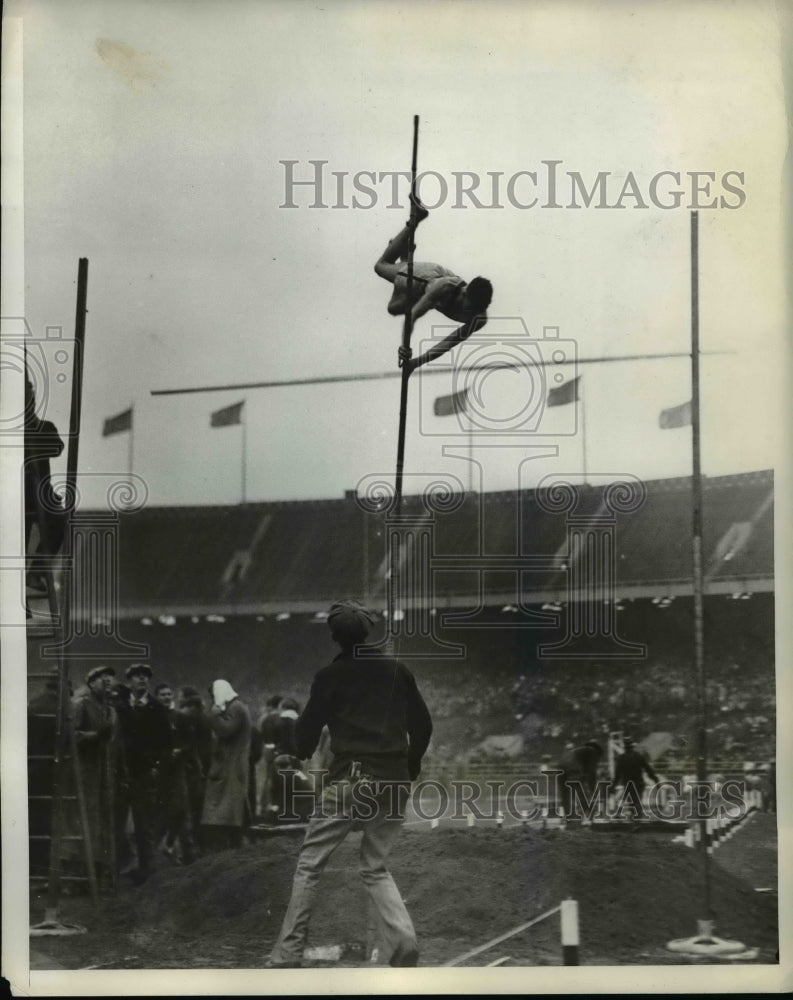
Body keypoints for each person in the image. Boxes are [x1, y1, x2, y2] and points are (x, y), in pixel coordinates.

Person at [267, 599, 433, 969]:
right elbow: (423, 727)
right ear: (368, 631)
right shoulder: (398, 671)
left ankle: (288, 952)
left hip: (351, 779)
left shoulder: (330, 676)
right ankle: (403, 940)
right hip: (393, 781)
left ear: (334, 638)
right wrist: (409, 765)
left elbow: (306, 738)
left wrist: (297, 751)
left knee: (310, 865)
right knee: (375, 865)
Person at [374, 197, 492, 373]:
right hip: (425, 279)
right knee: (381, 266)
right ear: (465, 292)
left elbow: (449, 343)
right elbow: (413, 316)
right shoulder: (445, 287)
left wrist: (417, 362)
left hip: (426, 294)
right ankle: (415, 220)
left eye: (476, 310)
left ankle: (405, 255)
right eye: (471, 307)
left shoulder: (479, 318)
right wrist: (404, 347)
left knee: (393, 308)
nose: (471, 313)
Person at [114, 663, 173, 884]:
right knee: (117, 822)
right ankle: (121, 865)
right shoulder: (119, 706)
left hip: (144, 772)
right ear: (129, 681)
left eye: (145, 676)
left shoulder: (156, 708)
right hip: (121, 772)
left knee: (143, 822)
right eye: (137, 676)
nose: (142, 680)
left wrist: (157, 766)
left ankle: (147, 870)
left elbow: (167, 742)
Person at [63, 665, 119, 887]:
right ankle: (74, 877)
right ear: (91, 682)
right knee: (80, 822)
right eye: (101, 679)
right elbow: (71, 736)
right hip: (82, 773)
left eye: (110, 679)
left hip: (101, 773)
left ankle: (94, 874)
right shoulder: (81, 705)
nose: (107, 682)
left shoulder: (108, 708)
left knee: (99, 822)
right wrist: (95, 735)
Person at [200, 680, 252, 851]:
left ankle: (231, 850)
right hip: (229, 764)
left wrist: (214, 715)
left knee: (228, 810)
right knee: (231, 809)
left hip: (233, 765)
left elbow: (226, 730)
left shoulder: (236, 708)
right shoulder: (234, 708)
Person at [556, 740, 603, 823]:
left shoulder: (580, 752)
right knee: (580, 793)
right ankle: (587, 814)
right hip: (571, 767)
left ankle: (569, 817)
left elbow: (586, 772)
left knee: (565, 794)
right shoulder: (593, 751)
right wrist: (593, 788)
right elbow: (592, 772)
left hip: (560, 766)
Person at [613, 736, 659, 822]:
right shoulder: (638, 757)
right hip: (638, 784)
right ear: (632, 747)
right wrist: (655, 779)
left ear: (625, 747)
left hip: (628, 784)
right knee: (636, 802)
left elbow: (617, 775)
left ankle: (633, 818)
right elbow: (648, 769)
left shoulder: (621, 758)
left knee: (631, 802)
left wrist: (613, 786)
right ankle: (636, 819)